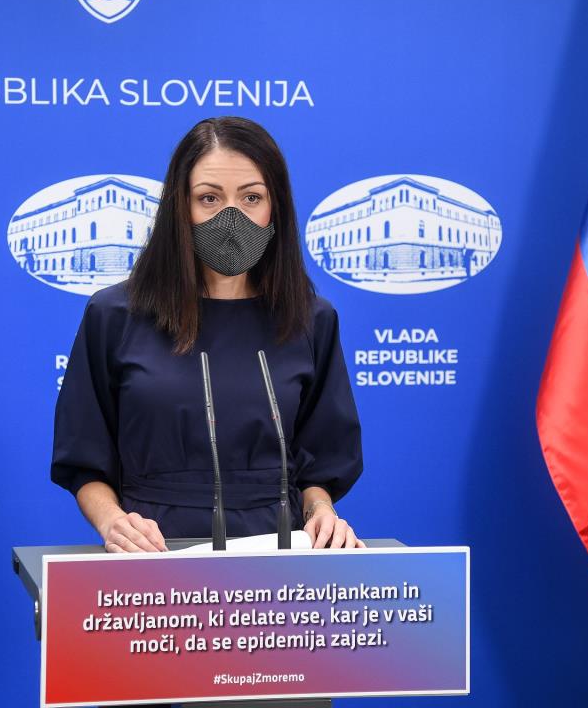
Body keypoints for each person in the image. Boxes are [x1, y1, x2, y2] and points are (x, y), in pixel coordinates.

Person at [51, 116, 364, 552]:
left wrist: (322, 513)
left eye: (251, 197)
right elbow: (84, 459)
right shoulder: (113, 315)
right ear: (180, 208)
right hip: (154, 556)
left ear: (275, 207)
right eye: (209, 198)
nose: (231, 218)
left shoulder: (311, 319)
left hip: (280, 563)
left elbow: (322, 462)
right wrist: (114, 523)